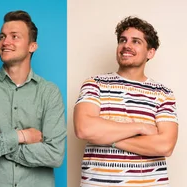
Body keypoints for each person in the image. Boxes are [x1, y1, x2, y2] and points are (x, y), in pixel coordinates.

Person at [0, 10, 66, 187]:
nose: (5, 42)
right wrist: (21, 136)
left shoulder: (49, 92)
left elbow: (54, 155)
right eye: (2, 36)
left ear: (32, 46)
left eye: (14, 36)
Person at [74, 16, 178, 187]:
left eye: (136, 41)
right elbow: (84, 129)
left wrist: (108, 137)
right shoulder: (95, 83)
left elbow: (165, 145)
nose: (126, 46)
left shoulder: (163, 93)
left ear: (150, 52)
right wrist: (140, 128)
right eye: (123, 40)